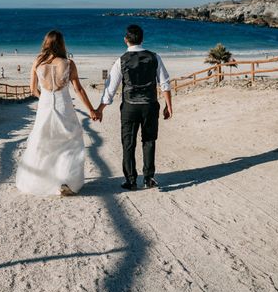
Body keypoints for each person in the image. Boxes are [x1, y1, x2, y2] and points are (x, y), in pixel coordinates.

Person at [16, 30, 97, 197]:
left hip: (45, 106)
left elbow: (33, 89)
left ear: (46, 43)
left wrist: (45, 97)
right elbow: (78, 89)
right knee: (70, 141)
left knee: (43, 141)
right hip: (64, 105)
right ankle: (65, 180)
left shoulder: (37, 62)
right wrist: (91, 110)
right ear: (61, 44)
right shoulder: (68, 63)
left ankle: (41, 180)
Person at [96, 24, 173, 190]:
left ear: (125, 40)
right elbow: (165, 83)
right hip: (150, 105)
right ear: (142, 39)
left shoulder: (121, 60)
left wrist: (100, 109)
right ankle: (148, 178)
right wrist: (169, 106)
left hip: (130, 107)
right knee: (149, 140)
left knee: (128, 143)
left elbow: (111, 88)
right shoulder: (155, 57)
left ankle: (131, 180)